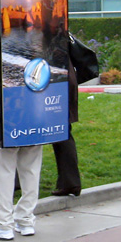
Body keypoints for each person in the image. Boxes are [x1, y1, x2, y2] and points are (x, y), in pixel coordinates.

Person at [0, 30, 43, 241]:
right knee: (31, 167)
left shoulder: (0, 31)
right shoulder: (47, 27)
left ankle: (2, 224)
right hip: (38, 107)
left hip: (10, 107)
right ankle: (25, 220)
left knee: (3, 167)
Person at [51, 57, 81, 196]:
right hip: (64, 77)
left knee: (26, 132)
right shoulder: (61, 36)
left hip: (53, 80)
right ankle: (71, 182)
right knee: (62, 133)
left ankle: (17, 181)